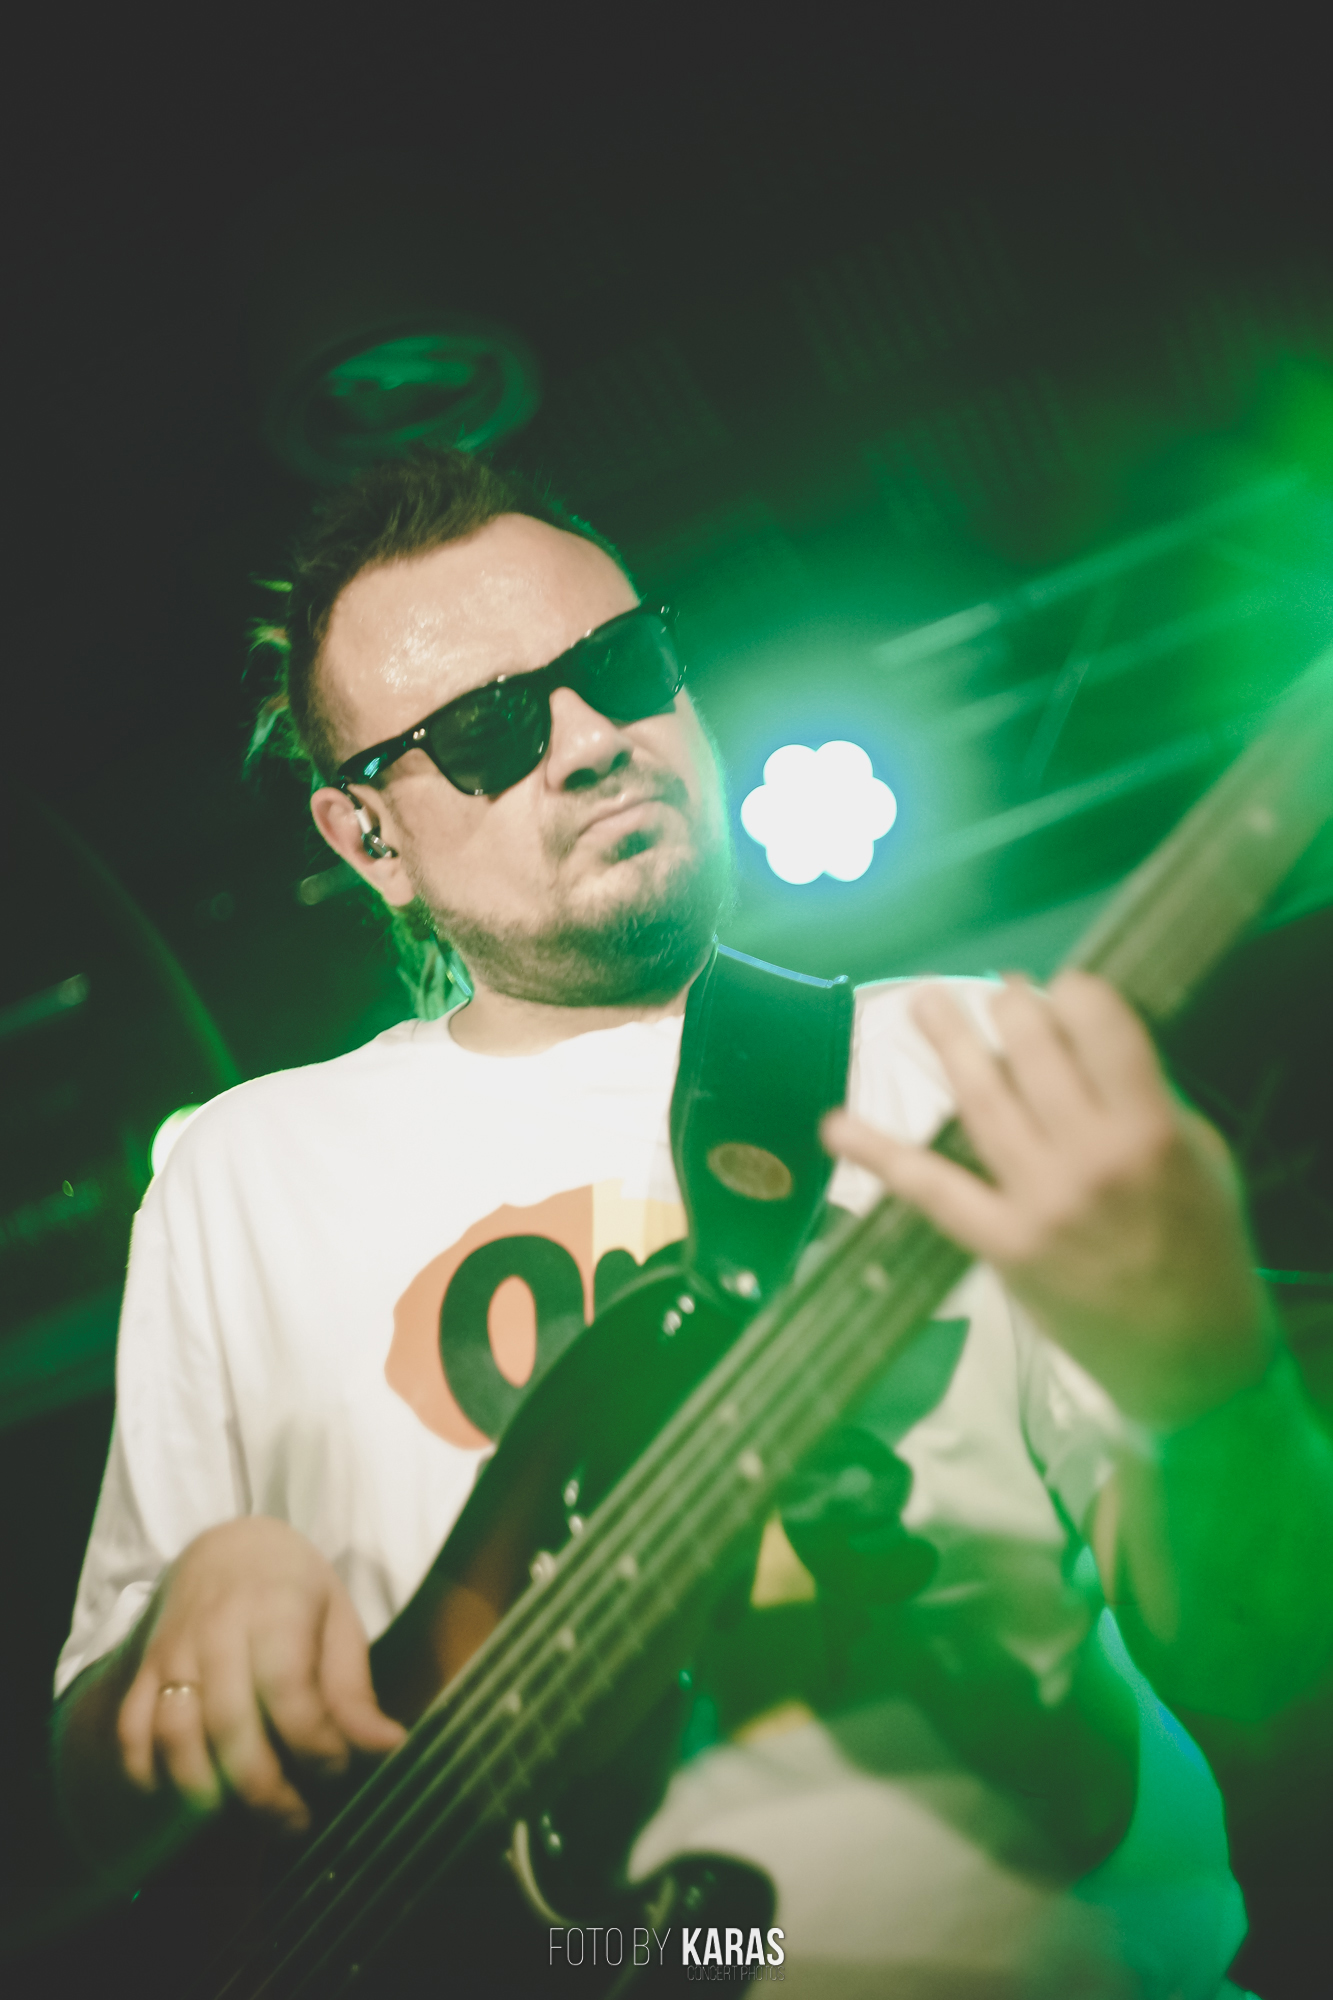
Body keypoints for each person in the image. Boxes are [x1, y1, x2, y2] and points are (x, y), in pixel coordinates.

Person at [52, 451, 1333, 1996]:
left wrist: (1207, 1382)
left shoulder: (963, 1058)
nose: (594, 741)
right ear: (366, 839)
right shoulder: (244, 1167)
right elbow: (98, 1804)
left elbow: (1273, 1691)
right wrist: (195, 1630)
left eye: (620, 668)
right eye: (486, 731)